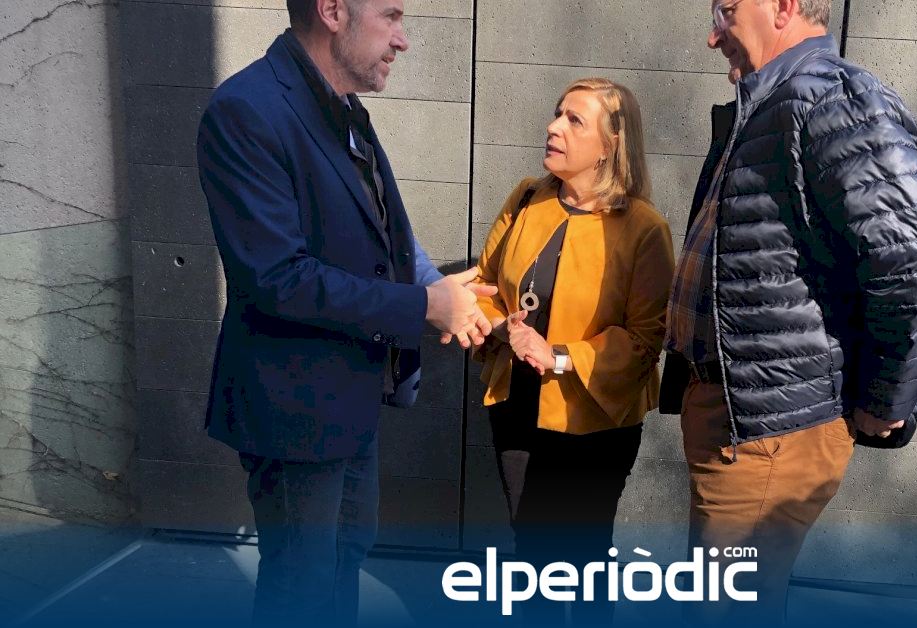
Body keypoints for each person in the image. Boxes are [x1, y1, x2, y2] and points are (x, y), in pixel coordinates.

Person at [658, 0, 917, 623]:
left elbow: (916, 255)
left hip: (770, 428)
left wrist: (887, 399)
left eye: (726, 10)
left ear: (784, 6)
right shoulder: (773, 105)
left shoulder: (829, 99)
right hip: (742, 418)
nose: (714, 36)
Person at [195, 0, 494, 624]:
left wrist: (436, 287)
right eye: (391, 16)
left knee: (343, 561)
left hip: (351, 402)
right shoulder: (245, 110)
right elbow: (278, 278)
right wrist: (423, 305)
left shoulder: (345, 109)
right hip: (292, 408)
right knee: (301, 586)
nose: (403, 40)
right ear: (332, 10)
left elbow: (381, 231)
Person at [472, 78, 674, 626]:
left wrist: (558, 355)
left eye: (573, 120)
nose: (553, 127)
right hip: (516, 405)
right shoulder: (526, 199)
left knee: (584, 556)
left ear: (610, 145)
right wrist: (503, 328)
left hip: (596, 418)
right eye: (557, 113)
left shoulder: (644, 229)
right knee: (530, 551)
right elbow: (483, 285)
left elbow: (645, 340)